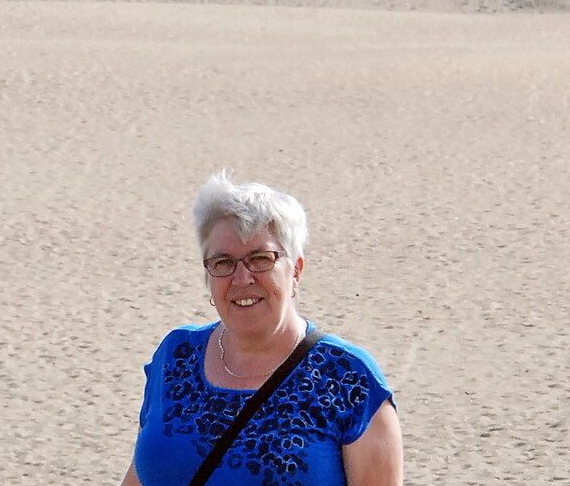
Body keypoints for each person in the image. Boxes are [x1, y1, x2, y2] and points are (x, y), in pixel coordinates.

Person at [121, 173, 403, 486]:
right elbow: (142, 474)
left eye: (260, 259)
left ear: (295, 270)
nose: (242, 279)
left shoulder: (348, 378)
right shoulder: (176, 356)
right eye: (223, 262)